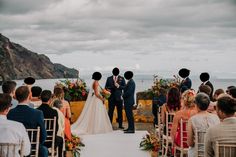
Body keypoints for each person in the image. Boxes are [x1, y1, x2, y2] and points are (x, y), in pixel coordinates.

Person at [7, 86, 48, 157]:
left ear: (16, 97)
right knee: (44, 150)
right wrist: (37, 144)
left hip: (15, 147)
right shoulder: (38, 113)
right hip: (32, 147)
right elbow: (43, 135)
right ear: (29, 96)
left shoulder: (10, 112)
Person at [37, 90, 64, 157]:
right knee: (60, 139)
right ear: (50, 99)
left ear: (41, 98)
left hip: (39, 140)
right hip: (51, 141)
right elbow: (56, 128)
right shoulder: (54, 112)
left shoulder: (36, 111)